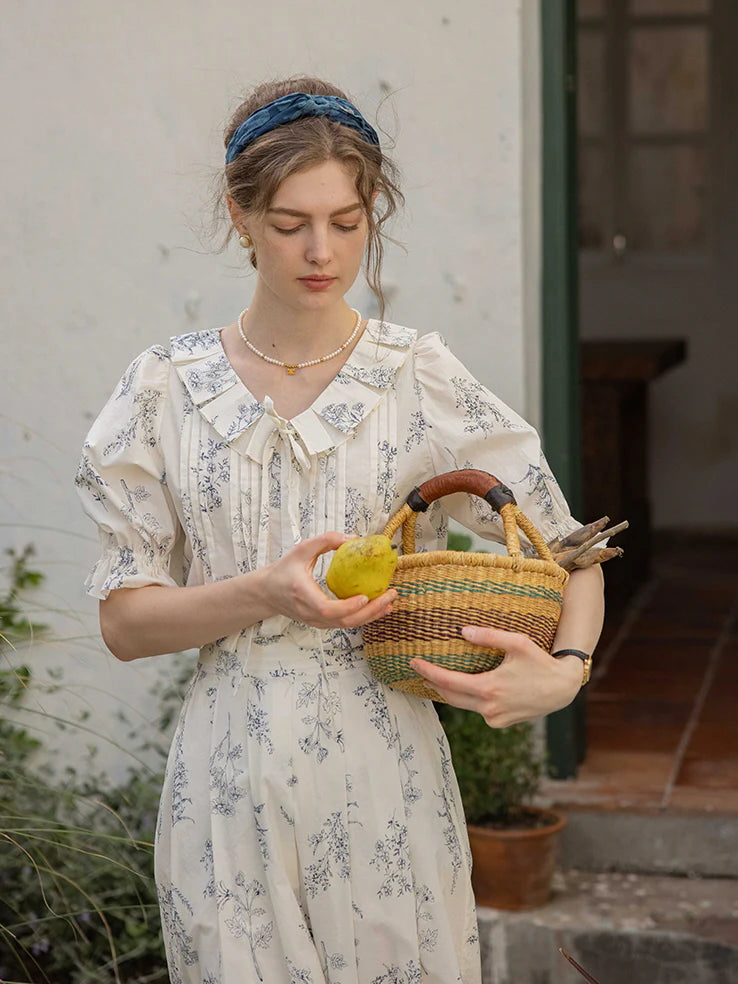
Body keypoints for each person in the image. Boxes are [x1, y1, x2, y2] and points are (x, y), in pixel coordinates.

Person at [76, 77, 604, 984]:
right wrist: (261, 593)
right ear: (240, 215)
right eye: (290, 224)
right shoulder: (163, 389)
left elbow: (572, 550)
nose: (322, 251)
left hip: (386, 772)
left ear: (373, 213)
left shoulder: (418, 374)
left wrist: (565, 673)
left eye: (348, 222)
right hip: (227, 783)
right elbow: (125, 625)